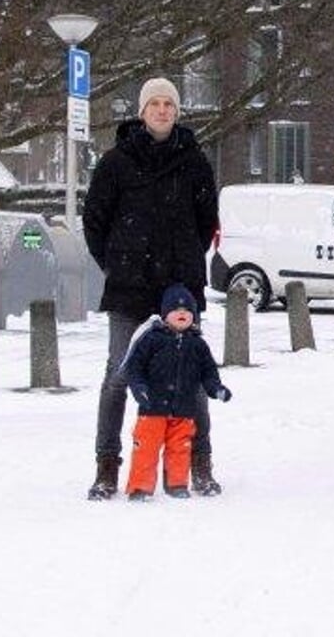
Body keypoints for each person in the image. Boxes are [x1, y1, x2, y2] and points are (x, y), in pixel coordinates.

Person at [82, 76, 220, 501]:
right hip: (129, 284)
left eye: (169, 104)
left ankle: (199, 462)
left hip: (179, 284)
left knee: (191, 376)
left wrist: (184, 262)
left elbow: (205, 220)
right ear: (141, 112)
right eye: (154, 103)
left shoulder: (195, 161)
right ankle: (107, 465)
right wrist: (117, 261)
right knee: (118, 375)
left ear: (177, 112)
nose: (162, 110)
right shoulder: (116, 162)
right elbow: (95, 221)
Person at [121, 284, 233, 500]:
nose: (182, 313)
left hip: (184, 408)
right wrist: (139, 388)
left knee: (180, 448)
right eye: (175, 310)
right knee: (146, 448)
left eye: (187, 311)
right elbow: (135, 368)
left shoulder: (198, 345)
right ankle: (140, 487)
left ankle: (177, 483)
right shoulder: (152, 339)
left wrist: (216, 388)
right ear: (164, 315)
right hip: (152, 407)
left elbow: (208, 372)